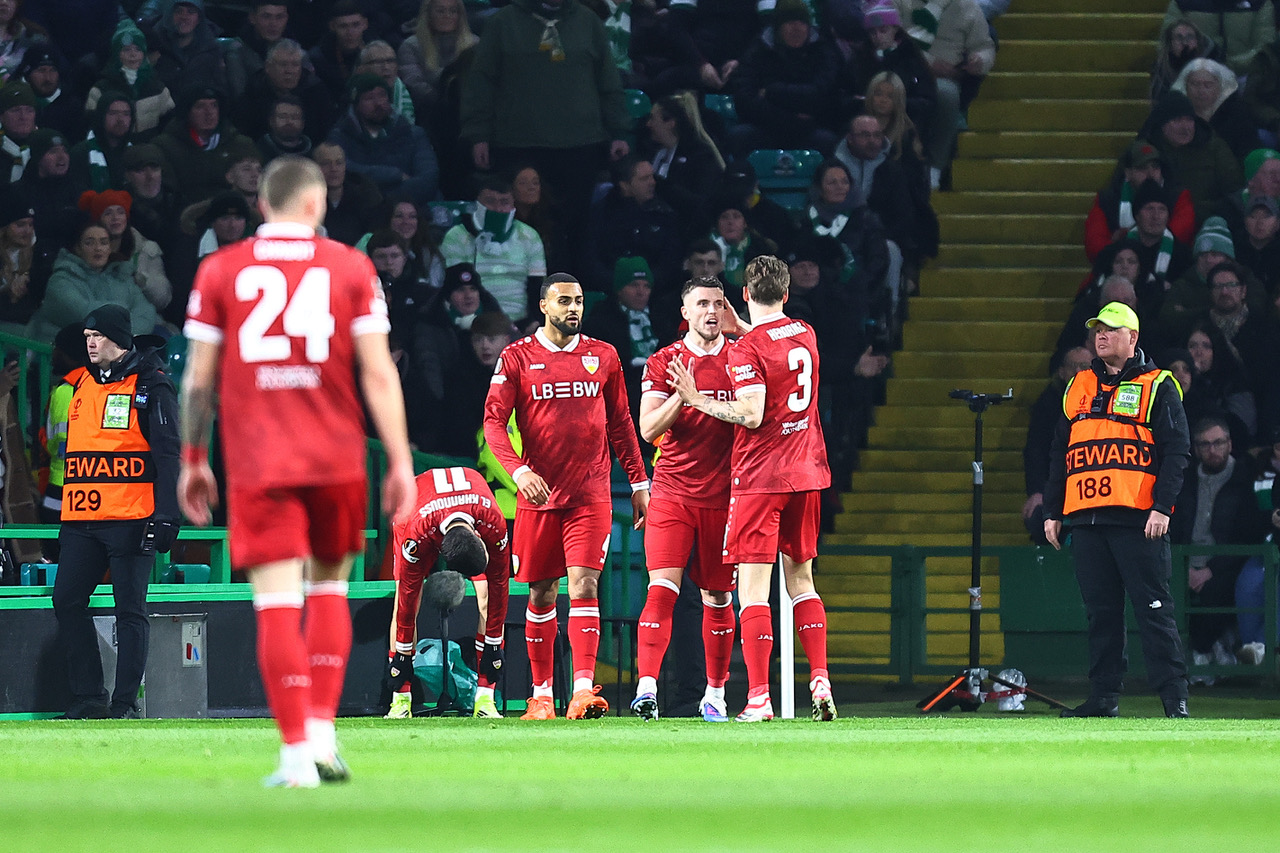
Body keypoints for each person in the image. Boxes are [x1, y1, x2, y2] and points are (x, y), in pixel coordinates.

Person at [178, 155, 416, 788]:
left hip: (260, 461)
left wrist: (194, 458)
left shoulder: (221, 269)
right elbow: (378, 371)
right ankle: (321, 737)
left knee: (278, 602)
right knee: (329, 592)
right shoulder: (351, 266)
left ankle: (293, 759)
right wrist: (399, 458)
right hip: (337, 458)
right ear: (316, 205)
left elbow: (198, 383)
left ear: (261, 205)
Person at [668, 255, 835, 722]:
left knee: (755, 594)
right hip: (807, 474)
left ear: (743, 293)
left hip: (761, 480)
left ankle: (759, 697)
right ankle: (819, 677)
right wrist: (745, 326)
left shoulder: (745, 352)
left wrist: (697, 399)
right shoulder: (804, 332)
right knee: (802, 582)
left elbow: (752, 413)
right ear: (785, 294)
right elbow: (771, 341)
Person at [482, 273, 650, 720]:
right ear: (543, 306)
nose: (573, 308)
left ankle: (581, 690)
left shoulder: (604, 356)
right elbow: (494, 423)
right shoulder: (517, 357)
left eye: (578, 301)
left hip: (590, 495)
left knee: (585, 584)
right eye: (563, 301)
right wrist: (518, 470)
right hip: (538, 497)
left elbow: (621, 423)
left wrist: (638, 482)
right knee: (540, 593)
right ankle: (540, 696)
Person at [1043, 301, 1192, 718]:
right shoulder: (1079, 385)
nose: (1101, 335)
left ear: (1133, 338)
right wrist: (1053, 510)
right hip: (1087, 519)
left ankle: (1174, 698)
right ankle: (1103, 697)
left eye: (1111, 328)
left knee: (1154, 609)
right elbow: (1061, 450)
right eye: (1097, 329)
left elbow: (1177, 450)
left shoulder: (1158, 383)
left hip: (1138, 518)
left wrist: (1163, 507)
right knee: (1101, 615)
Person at [52, 304, 180, 720]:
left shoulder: (151, 384)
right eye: (87, 335)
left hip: (131, 517)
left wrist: (166, 515)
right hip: (81, 520)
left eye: (99, 336)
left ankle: (124, 703)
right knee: (67, 599)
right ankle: (89, 697)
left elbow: (168, 455)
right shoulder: (78, 386)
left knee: (130, 609)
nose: (90, 342)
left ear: (119, 340)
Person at [630, 276, 745, 723]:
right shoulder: (664, 361)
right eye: (701, 304)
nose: (711, 311)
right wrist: (685, 398)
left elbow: (756, 410)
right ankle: (646, 690)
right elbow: (648, 429)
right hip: (673, 493)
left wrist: (745, 329)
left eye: (718, 303)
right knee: (662, 589)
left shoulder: (742, 359)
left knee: (719, 598)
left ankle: (714, 695)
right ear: (685, 312)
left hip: (724, 497)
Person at [385, 466, 510, 720]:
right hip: (415, 511)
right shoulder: (416, 536)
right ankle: (400, 699)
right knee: (406, 601)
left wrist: (494, 645)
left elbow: (500, 585)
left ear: (479, 536)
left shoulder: (493, 523)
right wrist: (401, 656)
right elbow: (408, 604)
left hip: (470, 503)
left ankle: (485, 697)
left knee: (487, 596)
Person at [1170, 415, 1267, 672]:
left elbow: (1246, 537)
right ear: (1196, 447)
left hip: (1227, 564)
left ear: (1230, 444)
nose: (1212, 450)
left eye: (1218, 443)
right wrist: (1185, 567)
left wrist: (1210, 569)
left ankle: (1205, 652)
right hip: (1184, 562)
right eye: (1204, 444)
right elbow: (1176, 529)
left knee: (1219, 592)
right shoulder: (1183, 480)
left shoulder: (1247, 479)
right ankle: (1211, 653)